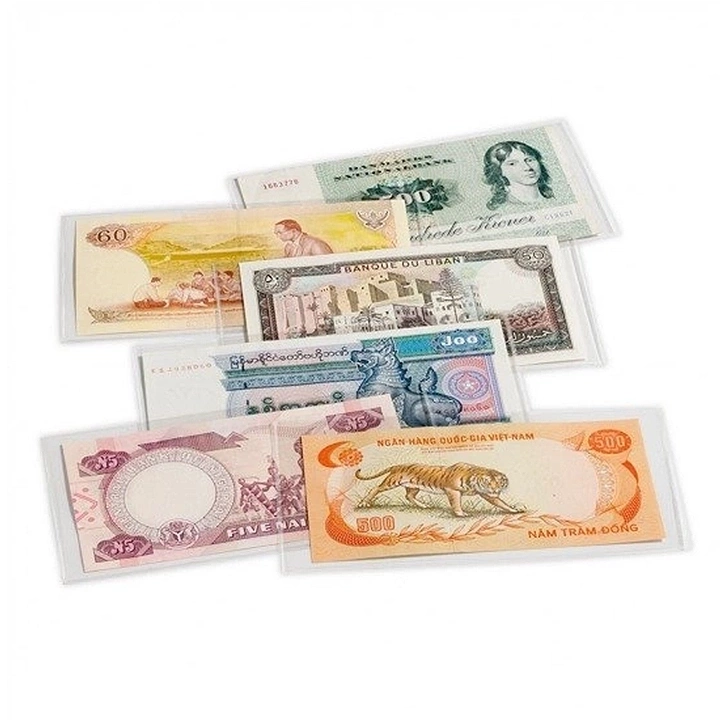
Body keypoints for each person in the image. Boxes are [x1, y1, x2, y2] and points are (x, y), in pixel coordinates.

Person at [483, 140, 554, 210]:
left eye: (529, 160)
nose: (527, 167)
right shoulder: (505, 208)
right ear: (498, 171)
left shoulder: (551, 199)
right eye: (512, 164)